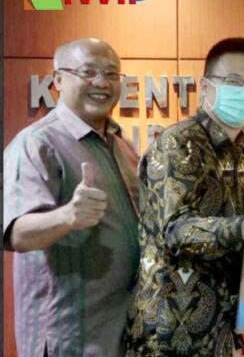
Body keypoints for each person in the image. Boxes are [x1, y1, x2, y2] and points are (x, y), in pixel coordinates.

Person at [125, 38, 244, 356]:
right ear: (205, 86)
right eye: (234, 82)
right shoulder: (179, 143)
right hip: (171, 328)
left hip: (222, 321)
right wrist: (243, 229)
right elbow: (175, 231)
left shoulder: (242, 147)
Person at [3, 38, 140, 356]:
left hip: (121, 332)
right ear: (58, 80)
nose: (101, 83)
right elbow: (17, 234)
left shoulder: (121, 144)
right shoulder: (37, 143)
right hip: (68, 338)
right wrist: (67, 216)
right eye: (88, 72)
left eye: (111, 74)